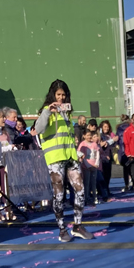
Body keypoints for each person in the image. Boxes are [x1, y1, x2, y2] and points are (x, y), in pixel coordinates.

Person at [34, 80, 92, 242]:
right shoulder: (46, 111)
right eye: (58, 95)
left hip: (70, 156)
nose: (61, 98)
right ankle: (62, 229)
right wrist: (48, 111)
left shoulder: (67, 113)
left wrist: (76, 152)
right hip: (55, 159)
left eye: (63, 95)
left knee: (80, 191)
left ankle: (78, 226)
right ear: (53, 95)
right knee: (59, 195)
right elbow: (38, 130)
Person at [77, 129, 100, 206]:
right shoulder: (82, 144)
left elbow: (97, 154)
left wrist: (96, 163)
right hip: (86, 167)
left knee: (93, 182)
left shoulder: (94, 144)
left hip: (94, 166)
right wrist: (88, 165)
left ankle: (94, 197)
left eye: (90, 135)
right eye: (87, 135)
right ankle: (86, 198)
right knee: (86, 183)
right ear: (84, 136)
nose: (89, 137)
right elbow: (80, 155)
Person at [97, 121, 115, 202]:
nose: (106, 128)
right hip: (102, 158)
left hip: (109, 158)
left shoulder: (109, 135)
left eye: (107, 127)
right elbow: (100, 145)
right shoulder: (100, 136)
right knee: (102, 176)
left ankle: (106, 190)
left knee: (108, 176)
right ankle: (102, 192)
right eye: (104, 127)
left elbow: (113, 144)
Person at [115, 114, 133, 191]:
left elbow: (117, 140)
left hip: (122, 151)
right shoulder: (131, 127)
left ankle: (126, 185)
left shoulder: (118, 128)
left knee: (125, 169)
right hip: (131, 150)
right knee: (132, 168)